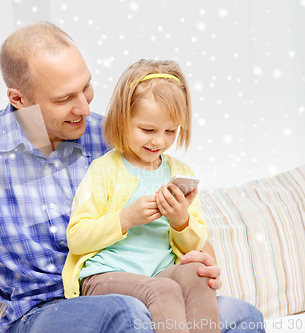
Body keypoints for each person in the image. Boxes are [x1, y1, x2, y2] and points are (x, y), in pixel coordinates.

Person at [0, 22, 265, 333]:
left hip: (140, 287)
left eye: (87, 89)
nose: (84, 108)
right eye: (64, 98)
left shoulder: (113, 138)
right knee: (126, 314)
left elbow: (186, 226)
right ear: (19, 98)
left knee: (243, 317)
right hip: (42, 313)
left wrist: (199, 255)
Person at [63, 59, 220, 333]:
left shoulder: (180, 172)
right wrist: (126, 218)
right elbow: (76, 239)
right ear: (123, 119)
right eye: (148, 130)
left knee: (197, 275)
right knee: (163, 290)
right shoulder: (105, 170)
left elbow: (196, 248)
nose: (159, 141)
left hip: (160, 272)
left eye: (170, 131)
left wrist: (180, 220)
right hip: (105, 276)